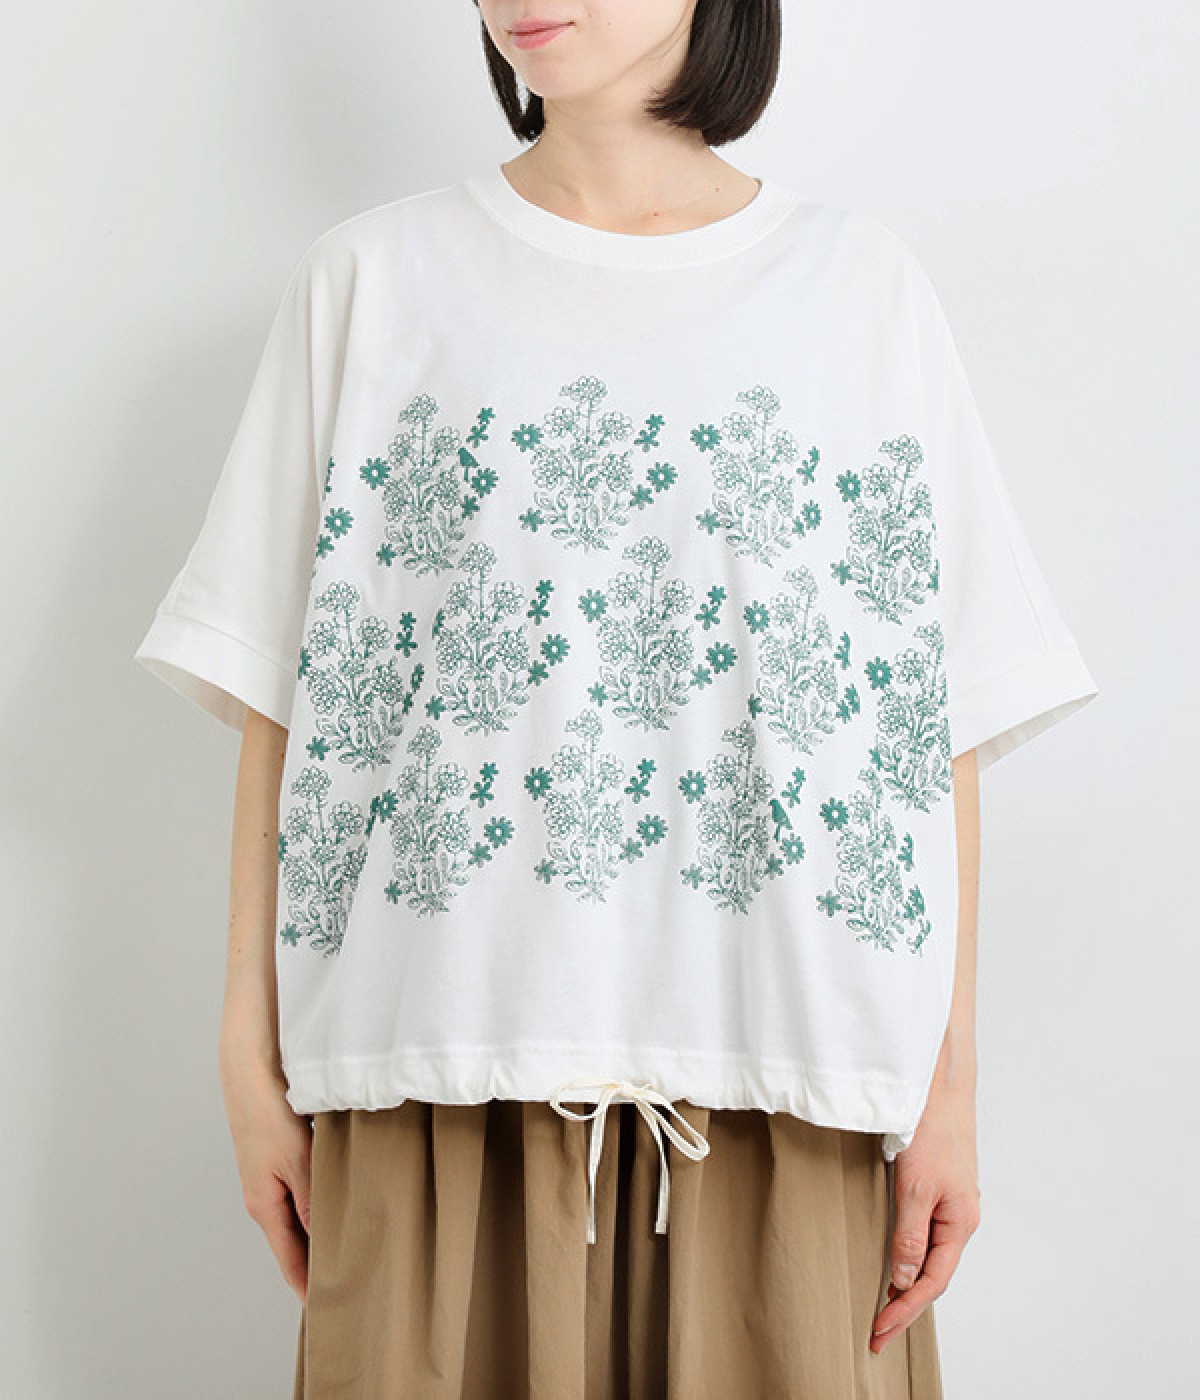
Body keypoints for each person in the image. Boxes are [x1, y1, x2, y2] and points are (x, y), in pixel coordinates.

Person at [133, 2, 1100, 1395]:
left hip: (793, 1084)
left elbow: (927, 713)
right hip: (433, 1074)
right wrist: (247, 1054)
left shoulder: (858, 291)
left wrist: (948, 1088)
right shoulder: (372, 281)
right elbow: (282, 691)